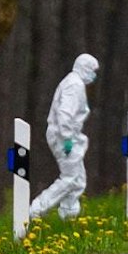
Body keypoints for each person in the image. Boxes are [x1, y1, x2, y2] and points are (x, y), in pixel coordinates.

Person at [30, 53, 98, 221]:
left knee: (78, 180)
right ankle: (37, 209)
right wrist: (67, 137)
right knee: (70, 178)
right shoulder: (74, 85)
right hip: (63, 135)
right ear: (84, 68)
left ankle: (69, 216)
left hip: (67, 134)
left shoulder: (74, 82)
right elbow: (65, 113)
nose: (93, 75)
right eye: (92, 70)